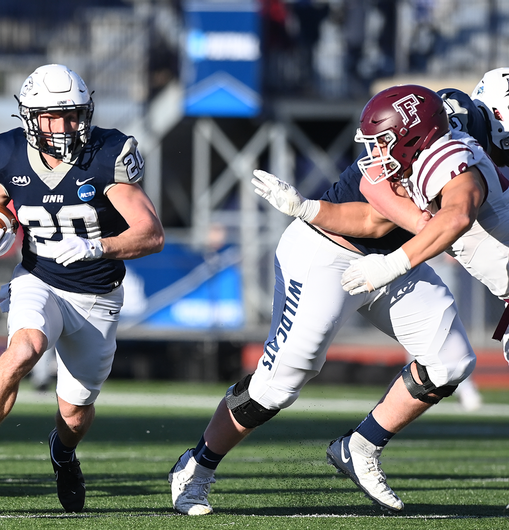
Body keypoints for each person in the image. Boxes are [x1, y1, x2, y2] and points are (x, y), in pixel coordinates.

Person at [182, 83, 491, 516]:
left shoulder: (452, 157)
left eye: (382, 142)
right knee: (279, 385)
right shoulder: (404, 162)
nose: (375, 151)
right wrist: (305, 208)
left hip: (391, 261)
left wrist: (403, 257)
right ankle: (196, 467)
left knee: (452, 361)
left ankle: (360, 446)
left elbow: (428, 223)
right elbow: (372, 219)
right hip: (325, 253)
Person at [0, 64, 165, 513]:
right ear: (29, 117)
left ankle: (63, 453)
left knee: (75, 413)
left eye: (72, 114)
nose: (63, 127)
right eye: (51, 116)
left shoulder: (108, 153)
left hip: (97, 296)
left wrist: (97, 246)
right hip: (38, 279)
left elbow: (151, 233)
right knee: (24, 349)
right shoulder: (7, 153)